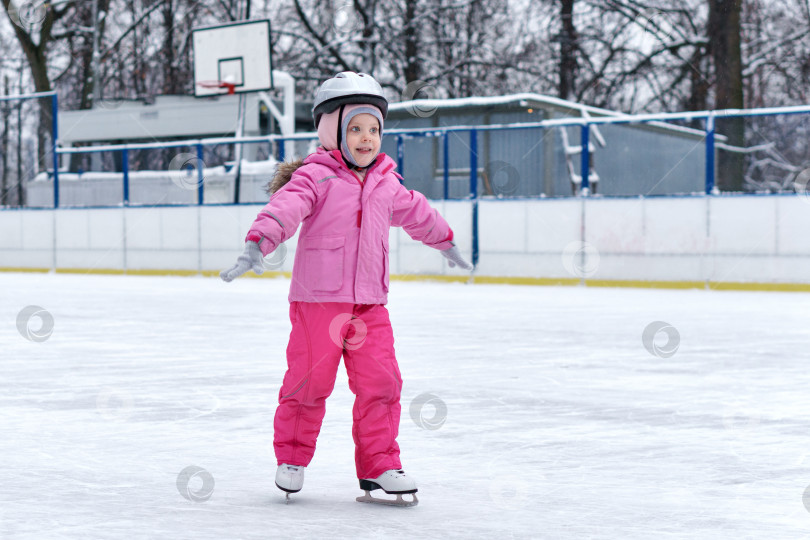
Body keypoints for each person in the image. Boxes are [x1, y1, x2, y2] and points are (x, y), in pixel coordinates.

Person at [220, 72, 472, 506]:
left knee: (383, 382)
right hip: (318, 301)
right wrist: (257, 241)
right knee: (309, 382)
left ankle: (380, 466)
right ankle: (292, 459)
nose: (366, 138)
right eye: (355, 127)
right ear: (331, 130)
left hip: (370, 304)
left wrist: (444, 239)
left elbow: (417, 213)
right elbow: (285, 208)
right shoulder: (315, 177)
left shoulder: (386, 183)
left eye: (374, 129)